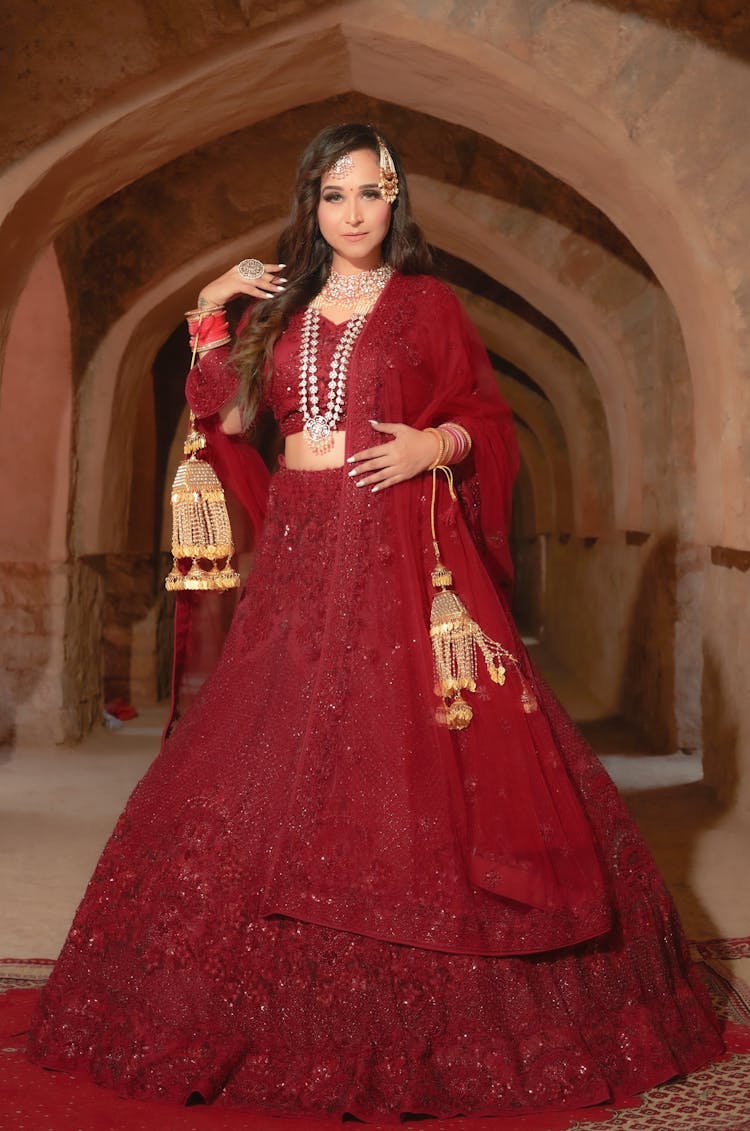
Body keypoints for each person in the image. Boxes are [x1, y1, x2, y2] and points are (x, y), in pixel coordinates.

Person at [27, 123, 723, 1122]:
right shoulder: (288, 308)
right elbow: (229, 425)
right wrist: (209, 308)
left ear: (396, 203)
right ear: (310, 207)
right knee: (265, 751)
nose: (354, 215)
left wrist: (433, 444)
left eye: (371, 194)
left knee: (407, 756)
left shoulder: (426, 304)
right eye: (334, 197)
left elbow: (482, 416)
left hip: (400, 544)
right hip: (306, 551)